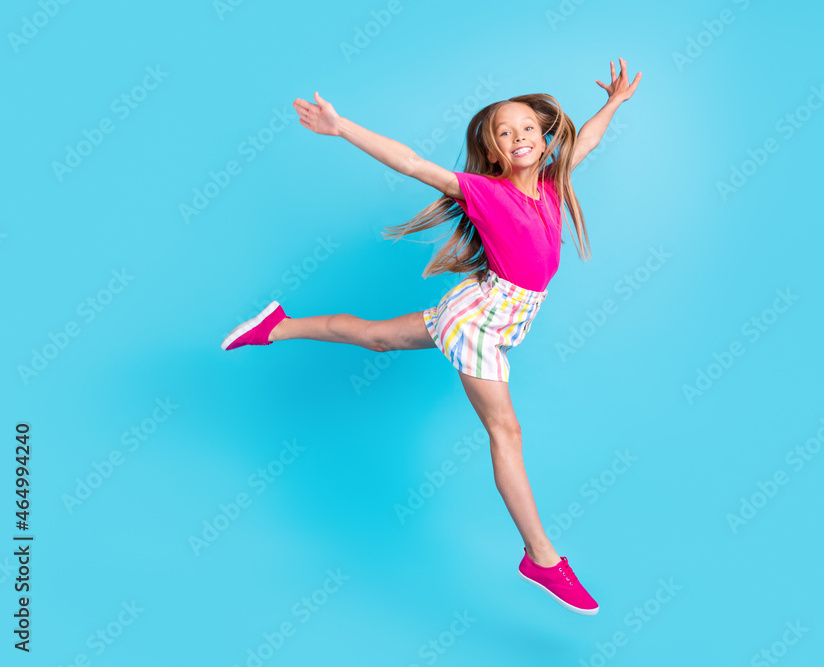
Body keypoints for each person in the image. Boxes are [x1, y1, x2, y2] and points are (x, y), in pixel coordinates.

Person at [220, 58, 641, 616]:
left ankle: (276, 326)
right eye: (503, 132)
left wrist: (613, 103)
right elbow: (412, 162)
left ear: (543, 141)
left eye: (527, 129)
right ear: (492, 150)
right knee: (505, 431)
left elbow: (584, 140)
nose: (517, 137)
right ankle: (541, 557)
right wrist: (341, 127)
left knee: (377, 339)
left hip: (496, 308)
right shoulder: (484, 192)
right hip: (482, 319)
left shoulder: (551, 184)